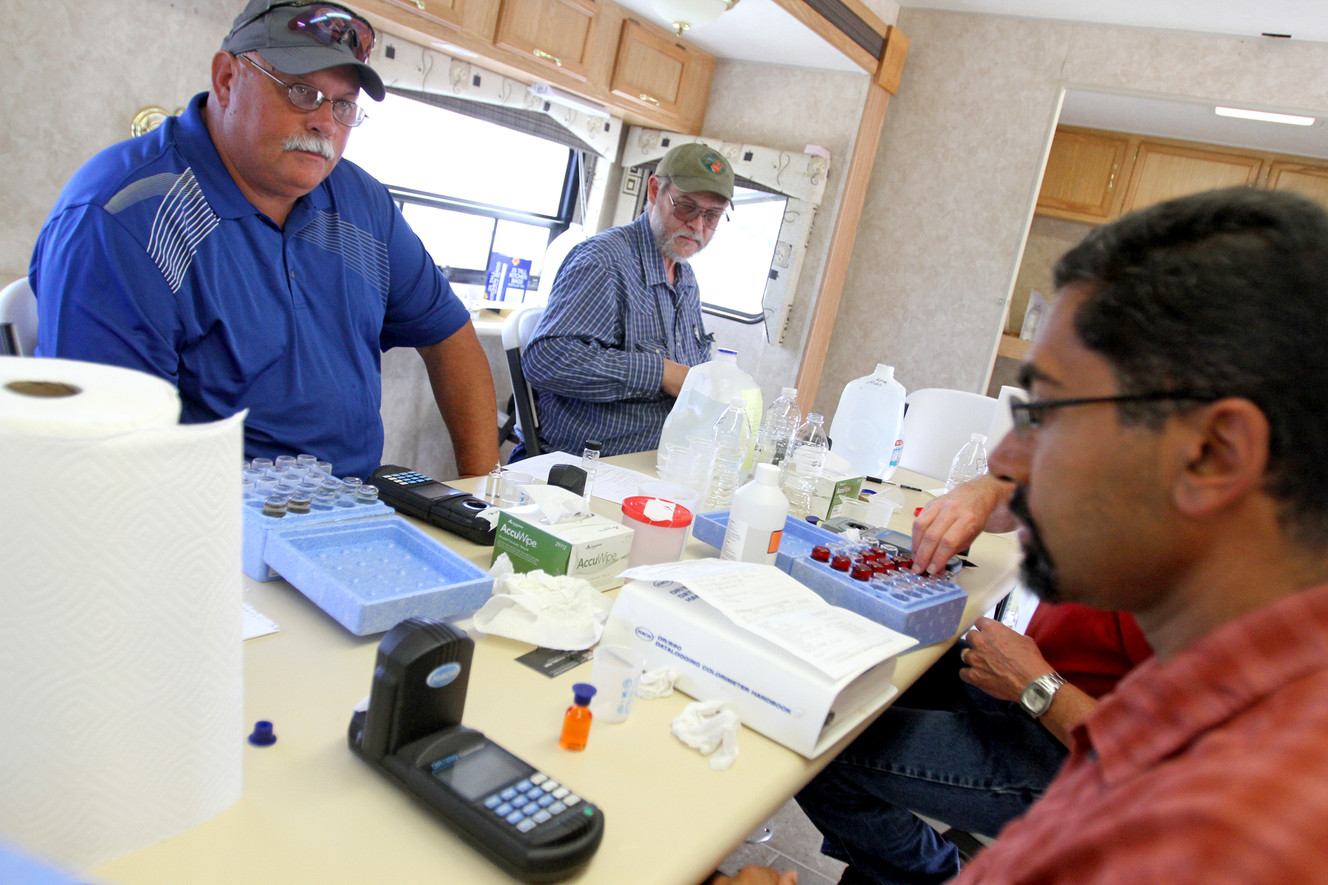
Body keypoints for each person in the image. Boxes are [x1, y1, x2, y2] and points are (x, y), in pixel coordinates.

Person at [30, 0, 498, 480]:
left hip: (356, 511)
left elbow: (449, 337)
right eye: (300, 91)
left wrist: (484, 496)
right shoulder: (121, 218)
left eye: (343, 105)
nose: (325, 123)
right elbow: (105, 459)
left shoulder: (361, 202)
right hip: (211, 524)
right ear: (227, 80)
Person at [795, 471, 1152, 884]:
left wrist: (1036, 685)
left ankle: (934, 875)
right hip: (1043, 694)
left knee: (821, 748)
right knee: (872, 667)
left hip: (1093, 764)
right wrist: (989, 491)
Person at [518, 141, 733, 458]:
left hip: (666, 457)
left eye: (712, 216)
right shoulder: (604, 262)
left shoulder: (686, 280)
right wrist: (660, 373)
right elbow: (546, 360)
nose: (698, 226)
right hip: (597, 464)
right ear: (654, 190)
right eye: (686, 207)